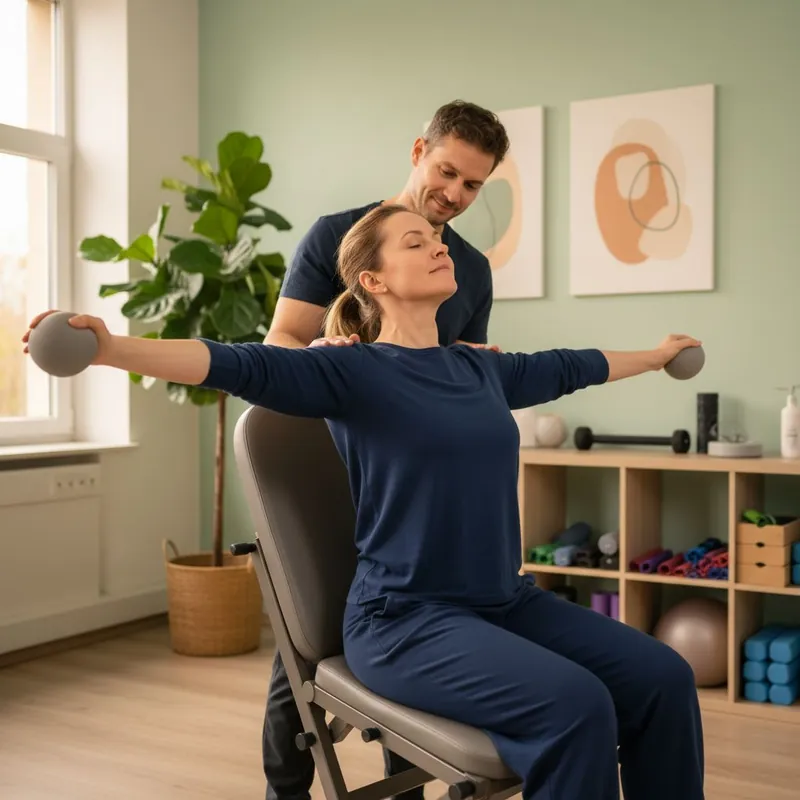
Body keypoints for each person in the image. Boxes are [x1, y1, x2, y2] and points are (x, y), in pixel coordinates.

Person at [22, 204, 705, 800]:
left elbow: (571, 366)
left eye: (435, 239)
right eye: (415, 242)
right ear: (372, 281)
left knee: (664, 678)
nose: (439, 244)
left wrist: (655, 354)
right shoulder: (348, 370)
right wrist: (109, 349)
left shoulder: (479, 367)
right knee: (576, 706)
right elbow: (233, 362)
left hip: (504, 603)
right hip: (404, 621)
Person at [261, 99, 509, 800]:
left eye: (473, 186)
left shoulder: (471, 270)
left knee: (425, 651)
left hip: (413, 494)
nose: (454, 196)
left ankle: (408, 789)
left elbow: (452, 372)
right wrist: (332, 356)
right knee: (302, 655)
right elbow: (280, 346)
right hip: (326, 480)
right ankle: (287, 794)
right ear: (417, 152)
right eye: (447, 172)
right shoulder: (335, 236)